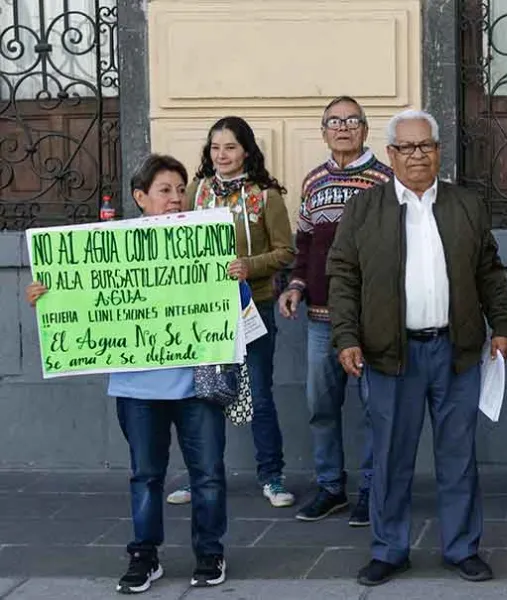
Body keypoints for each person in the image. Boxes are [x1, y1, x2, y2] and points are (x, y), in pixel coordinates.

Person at [326, 109, 507, 587]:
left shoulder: (466, 205)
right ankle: (389, 550)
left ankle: (462, 548)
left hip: (456, 352)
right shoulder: (364, 209)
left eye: (426, 146)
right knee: (390, 457)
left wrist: (503, 325)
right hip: (391, 355)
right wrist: (346, 337)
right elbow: (344, 278)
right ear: (390, 154)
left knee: (458, 456)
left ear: (438, 151)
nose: (417, 155)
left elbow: (489, 271)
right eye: (407, 147)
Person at [26, 154, 231, 593]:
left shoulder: (208, 240)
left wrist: (239, 275)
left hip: (198, 383)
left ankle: (210, 552)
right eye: (164, 191)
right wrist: (46, 294)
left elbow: (238, 312)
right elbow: (78, 297)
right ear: (140, 198)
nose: (176, 199)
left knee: (208, 473)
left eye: (181, 190)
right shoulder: (108, 248)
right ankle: (145, 553)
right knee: (146, 474)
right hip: (138, 387)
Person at [167, 116, 297, 508]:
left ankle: (272, 477)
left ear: (246, 151)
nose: (221, 155)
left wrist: (249, 266)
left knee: (258, 395)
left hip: (252, 308)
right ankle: (200, 477)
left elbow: (286, 252)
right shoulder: (195, 191)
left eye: (230, 147)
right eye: (215, 147)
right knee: (204, 396)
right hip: (205, 313)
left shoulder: (265, 196)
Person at [280, 96, 393, 526]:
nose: (343, 128)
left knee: (374, 409)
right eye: (333, 121)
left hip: (370, 318)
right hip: (321, 319)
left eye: (351, 121)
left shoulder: (386, 180)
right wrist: (295, 285)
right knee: (320, 406)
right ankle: (331, 488)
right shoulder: (313, 182)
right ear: (324, 130)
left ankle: (370, 490)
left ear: (365, 130)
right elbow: (305, 244)